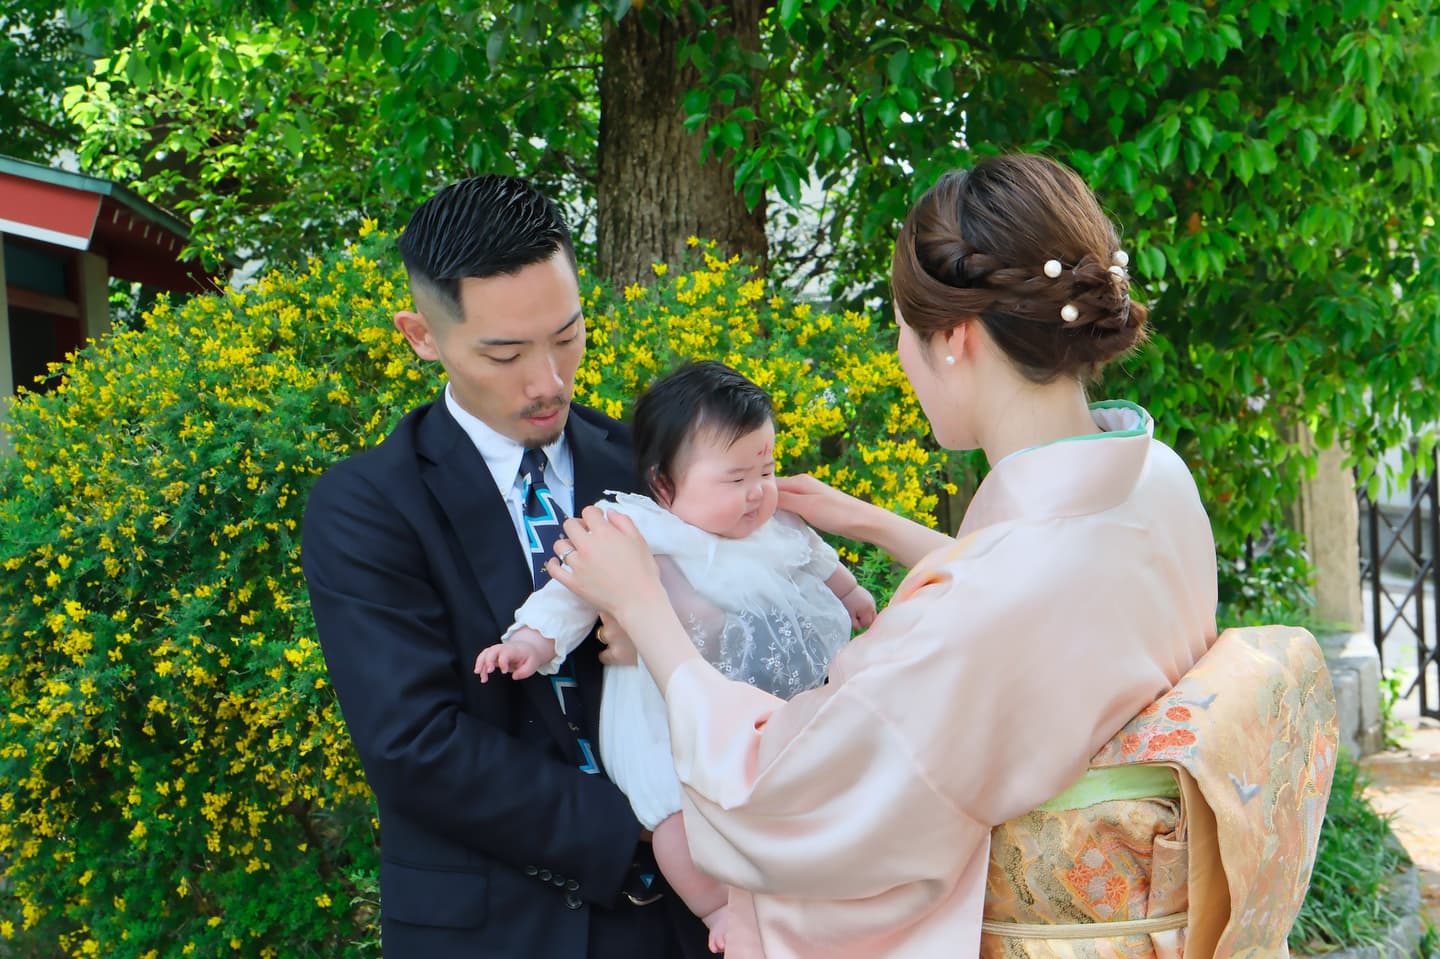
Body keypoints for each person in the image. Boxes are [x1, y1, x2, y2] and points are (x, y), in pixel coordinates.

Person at [540, 154, 1336, 957]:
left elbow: (778, 787)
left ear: (954, 339)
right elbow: (1040, 596)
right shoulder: (1157, 478)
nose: (902, 353)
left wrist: (647, 609)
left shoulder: (982, 608)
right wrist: (873, 522)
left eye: (904, 329)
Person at [301, 175, 710, 958]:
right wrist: (639, 835)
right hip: (487, 929)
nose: (548, 380)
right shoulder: (367, 504)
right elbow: (414, 742)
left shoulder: (649, 463)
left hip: (682, 926)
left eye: (567, 335)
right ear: (422, 335)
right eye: (505, 352)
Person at [475, 360, 877, 953]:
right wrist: (529, 642)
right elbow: (570, 592)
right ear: (665, 485)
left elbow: (819, 563)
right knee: (675, 823)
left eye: (765, 469)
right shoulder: (638, 528)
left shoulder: (778, 524)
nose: (757, 491)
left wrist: (854, 597)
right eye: (735, 477)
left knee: (793, 796)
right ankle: (719, 911)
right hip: (664, 723)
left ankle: (795, 896)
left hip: (765, 714)